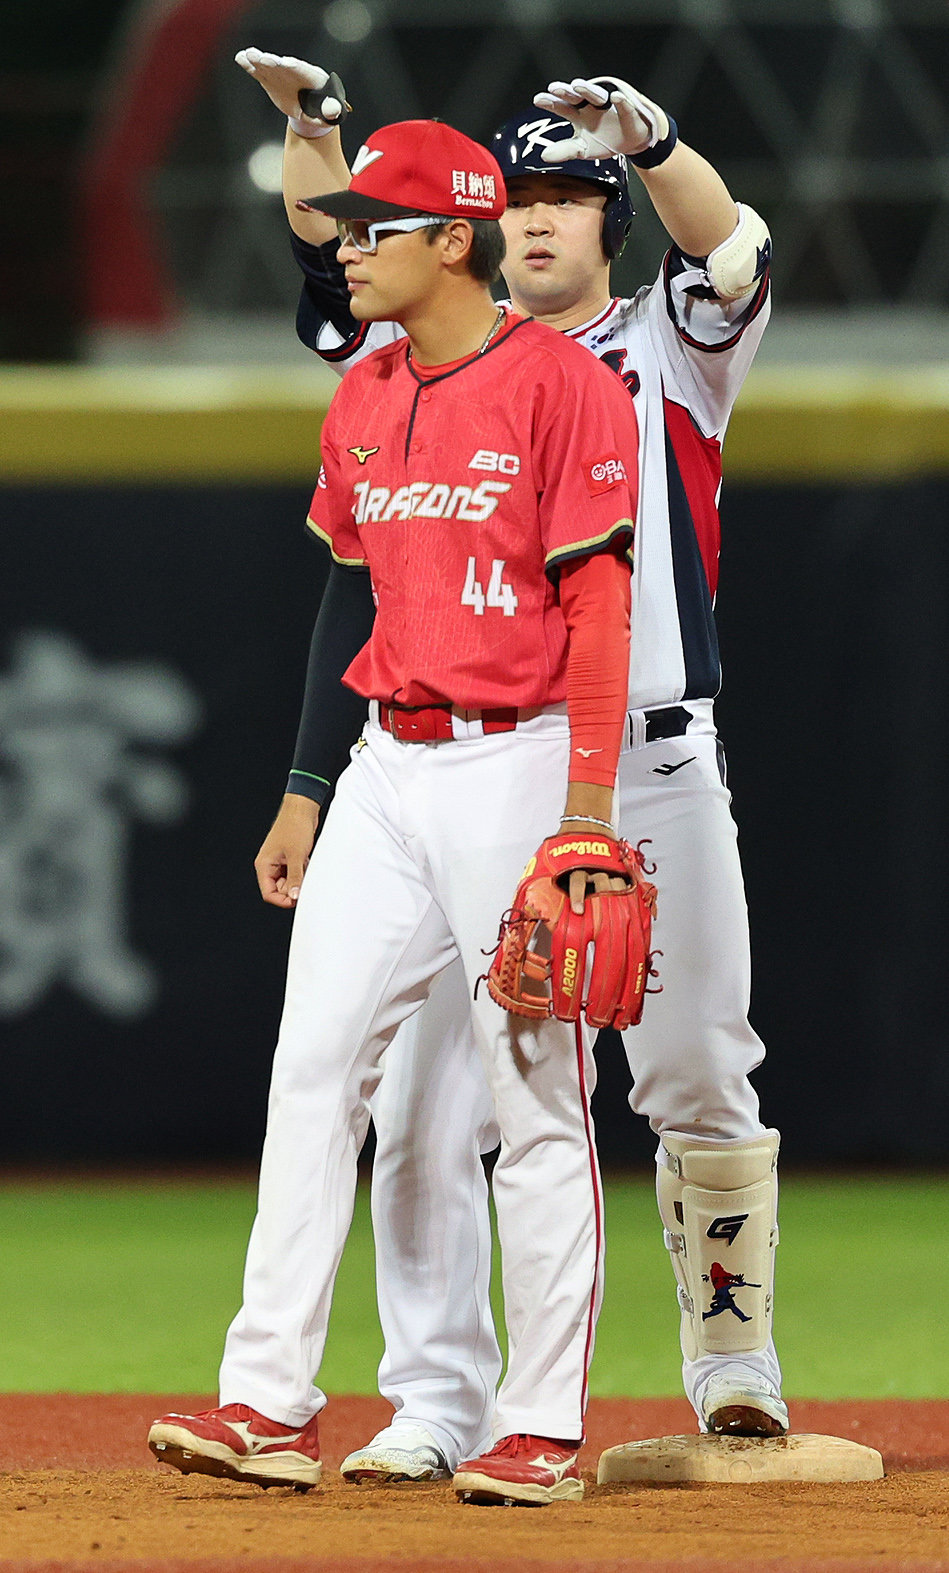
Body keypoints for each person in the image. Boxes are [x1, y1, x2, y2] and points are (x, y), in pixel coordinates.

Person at [225, 52, 788, 1485]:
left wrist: (649, 139)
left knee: (695, 1070)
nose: (542, 220)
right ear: (483, 221)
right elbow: (328, 237)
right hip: (461, 754)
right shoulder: (404, 358)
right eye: (521, 193)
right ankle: (437, 1398)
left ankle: (731, 1353)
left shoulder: (662, 342)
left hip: (641, 748)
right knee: (422, 1098)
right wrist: (316, 132)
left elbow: (727, 243)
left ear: (609, 221)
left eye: (570, 197)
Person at [149, 114, 646, 1508]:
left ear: (453, 237)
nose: (346, 248)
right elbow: (346, 592)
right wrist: (307, 787)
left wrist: (587, 811)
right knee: (314, 1072)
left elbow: (598, 601)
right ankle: (267, 1399)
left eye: (375, 227)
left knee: (531, 1094)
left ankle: (539, 1420)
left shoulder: (561, 385)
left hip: (519, 758)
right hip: (387, 761)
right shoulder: (365, 388)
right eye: (346, 225)